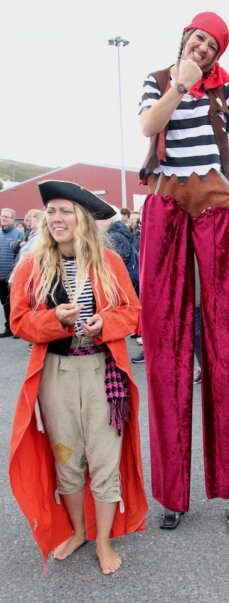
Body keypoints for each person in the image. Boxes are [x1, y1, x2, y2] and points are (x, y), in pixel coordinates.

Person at [138, 11, 229, 531]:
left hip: (214, 200)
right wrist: (180, 86)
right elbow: (149, 126)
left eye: (212, 47)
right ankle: (173, 494)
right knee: (165, 341)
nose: (203, 50)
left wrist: (227, 158)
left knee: (225, 340)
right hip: (166, 199)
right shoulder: (158, 80)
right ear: (184, 39)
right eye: (198, 40)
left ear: (219, 55)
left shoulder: (224, 88)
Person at [9, 181, 147, 573]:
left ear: (82, 218)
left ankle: (103, 541)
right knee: (66, 456)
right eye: (51, 211)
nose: (56, 218)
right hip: (56, 373)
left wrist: (106, 321)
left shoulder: (109, 262)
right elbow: (18, 321)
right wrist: (54, 320)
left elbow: (133, 312)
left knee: (104, 457)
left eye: (64, 210)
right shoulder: (32, 265)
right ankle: (79, 530)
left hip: (103, 369)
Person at [0, 207, 23, 336]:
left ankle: (17, 329)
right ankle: (8, 328)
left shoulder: (18, 233)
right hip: (0, 276)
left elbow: (20, 256)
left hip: (12, 277)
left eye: (6, 217)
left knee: (15, 303)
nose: (3, 219)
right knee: (5, 304)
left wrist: (13, 274)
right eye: (2, 216)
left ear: (13, 219)